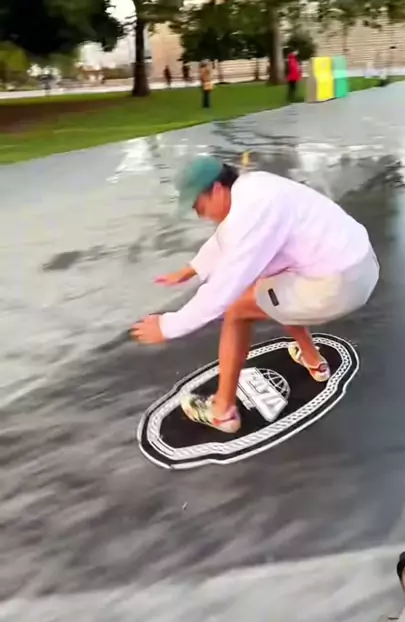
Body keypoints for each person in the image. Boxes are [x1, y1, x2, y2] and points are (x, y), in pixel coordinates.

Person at [132, 156, 379, 433]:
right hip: (359, 263)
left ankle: (222, 412)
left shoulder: (254, 211)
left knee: (237, 308)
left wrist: (168, 326)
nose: (201, 215)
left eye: (199, 206)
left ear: (217, 190)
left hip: (339, 286)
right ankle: (313, 360)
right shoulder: (253, 186)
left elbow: (223, 290)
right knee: (270, 286)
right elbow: (227, 238)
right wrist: (192, 269)